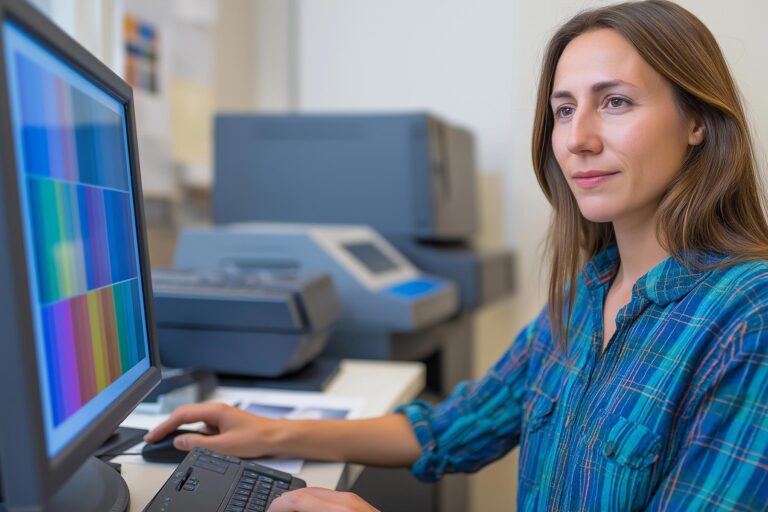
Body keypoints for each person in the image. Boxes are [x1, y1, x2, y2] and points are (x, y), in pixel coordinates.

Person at [146, 1, 768, 510]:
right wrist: (272, 432)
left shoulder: (749, 321)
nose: (577, 140)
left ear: (697, 121)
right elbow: (459, 426)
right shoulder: (587, 293)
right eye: (563, 110)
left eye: (616, 102)